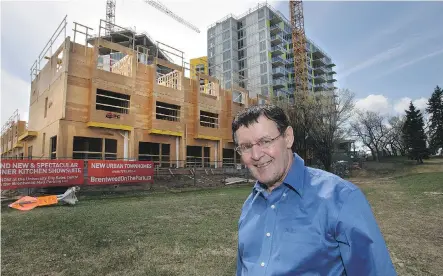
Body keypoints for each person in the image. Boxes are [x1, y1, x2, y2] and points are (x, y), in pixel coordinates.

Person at [232, 104, 397, 276]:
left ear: (288, 137)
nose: (256, 155)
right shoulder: (249, 207)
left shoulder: (341, 199)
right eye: (246, 147)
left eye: (265, 141)